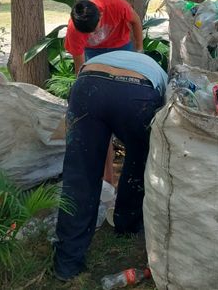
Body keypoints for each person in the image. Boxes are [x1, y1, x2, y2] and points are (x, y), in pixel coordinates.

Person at [53, 51, 167, 281]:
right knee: (139, 160)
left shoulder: (103, 59)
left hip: (88, 86)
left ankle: (67, 264)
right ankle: (127, 224)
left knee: (81, 175)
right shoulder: (161, 75)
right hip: (138, 92)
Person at [64, 0, 145, 184]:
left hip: (122, 47)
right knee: (99, 113)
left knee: (126, 103)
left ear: (100, 14)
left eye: (95, 29)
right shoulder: (74, 30)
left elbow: (136, 21)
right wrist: (83, 92)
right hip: (95, 55)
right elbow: (80, 67)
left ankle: (134, 169)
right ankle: (108, 178)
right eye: (88, 34)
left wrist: (139, 51)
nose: (92, 35)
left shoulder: (115, 5)